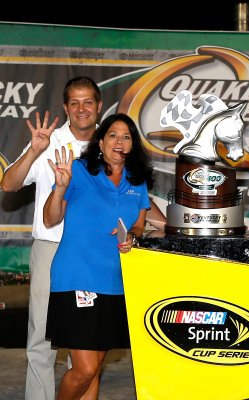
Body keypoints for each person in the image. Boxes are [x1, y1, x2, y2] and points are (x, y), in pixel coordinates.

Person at [0, 76, 102, 400]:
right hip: (51, 249)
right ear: (65, 106)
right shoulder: (49, 141)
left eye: (88, 102)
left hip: (94, 255)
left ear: (99, 106)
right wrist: (33, 151)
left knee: (85, 344)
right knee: (42, 341)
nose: (81, 109)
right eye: (75, 102)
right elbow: (8, 184)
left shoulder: (110, 144)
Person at [43, 113, 152, 400]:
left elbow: (139, 224)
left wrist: (133, 236)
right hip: (77, 277)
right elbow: (50, 218)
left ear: (132, 145)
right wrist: (61, 188)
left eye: (126, 137)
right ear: (100, 142)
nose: (120, 141)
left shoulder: (137, 181)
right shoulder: (78, 171)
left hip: (115, 282)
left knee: (96, 368)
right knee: (85, 369)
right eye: (113, 135)